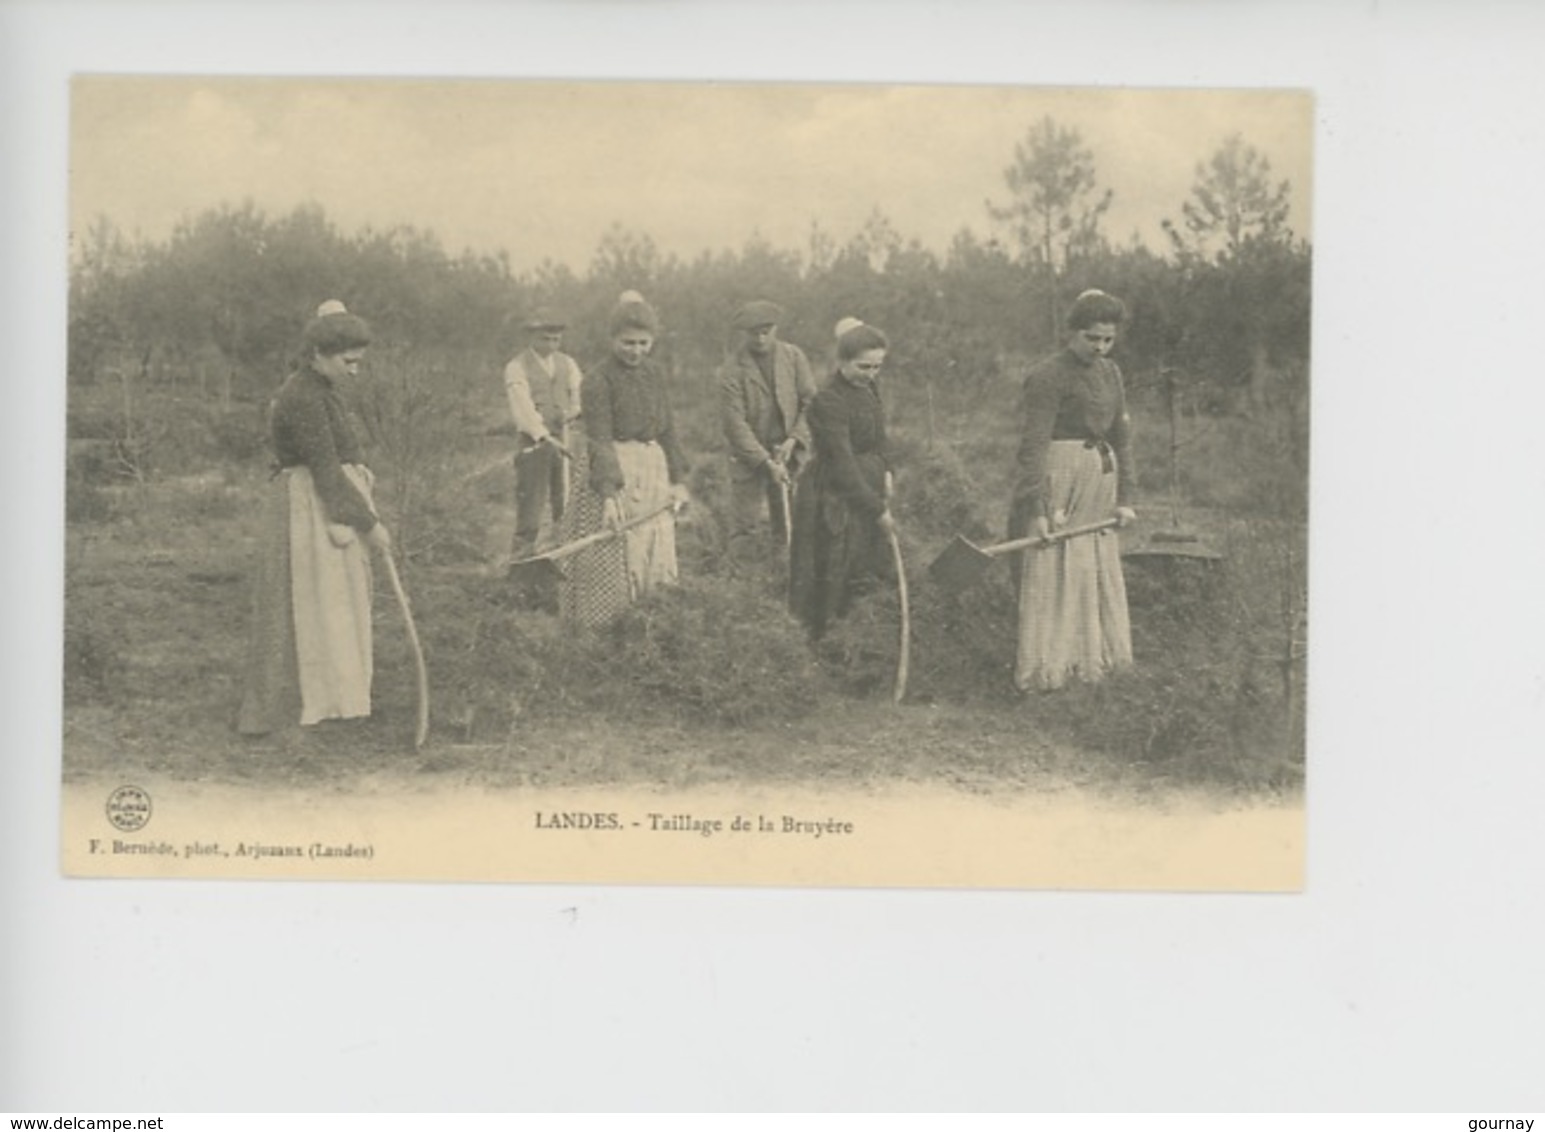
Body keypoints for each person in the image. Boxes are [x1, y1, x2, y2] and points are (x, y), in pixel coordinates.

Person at [238, 301, 391, 736]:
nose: (356, 370)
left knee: (332, 602)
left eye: (360, 361)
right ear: (319, 354)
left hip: (327, 503)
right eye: (349, 361)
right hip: (310, 508)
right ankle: (302, 702)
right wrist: (369, 523)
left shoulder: (323, 391)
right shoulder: (302, 397)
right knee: (310, 600)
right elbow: (325, 470)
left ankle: (336, 697)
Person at [1008, 288, 1138, 692]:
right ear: (1072, 333)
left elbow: (1122, 436)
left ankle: (1092, 666)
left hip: (1099, 481)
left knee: (1091, 564)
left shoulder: (1111, 373)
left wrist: (1126, 497)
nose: (1099, 347)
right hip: (1059, 481)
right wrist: (1038, 508)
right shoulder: (1047, 375)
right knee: (1056, 569)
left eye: (1107, 340)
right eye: (1091, 338)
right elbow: (1032, 445)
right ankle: (1051, 671)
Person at [557, 290, 691, 628]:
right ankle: (614, 629)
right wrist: (608, 495)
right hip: (616, 467)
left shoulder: (655, 374)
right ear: (612, 338)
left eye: (643, 343)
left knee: (653, 543)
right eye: (628, 343)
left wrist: (678, 481)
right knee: (617, 546)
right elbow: (599, 439)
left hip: (654, 467)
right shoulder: (597, 381)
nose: (636, 351)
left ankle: (654, 620)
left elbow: (669, 427)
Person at [788, 318, 897, 639]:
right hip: (834, 494)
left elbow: (880, 438)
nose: (871, 374)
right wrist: (876, 509)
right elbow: (842, 464)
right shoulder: (828, 400)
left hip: (868, 486)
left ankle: (858, 633)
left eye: (877, 367)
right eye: (864, 367)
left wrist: (887, 472)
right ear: (843, 361)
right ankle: (825, 638)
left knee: (865, 561)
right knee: (834, 564)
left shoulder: (870, 390)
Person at [718, 299, 816, 567]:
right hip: (749, 457)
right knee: (745, 525)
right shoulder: (732, 370)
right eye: (754, 333)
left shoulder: (793, 357)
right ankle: (743, 585)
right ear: (744, 333)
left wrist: (794, 439)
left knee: (790, 519)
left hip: (789, 451)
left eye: (766, 331)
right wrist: (764, 462)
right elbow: (734, 424)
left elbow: (810, 402)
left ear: (776, 329)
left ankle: (784, 576)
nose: (761, 338)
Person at [503, 307, 584, 597]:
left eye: (556, 339)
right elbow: (522, 409)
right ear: (531, 337)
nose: (551, 345)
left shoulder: (568, 364)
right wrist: (544, 435)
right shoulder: (516, 367)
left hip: (564, 442)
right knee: (531, 512)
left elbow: (578, 395)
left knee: (565, 506)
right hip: (534, 445)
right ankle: (520, 577)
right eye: (545, 338)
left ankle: (562, 571)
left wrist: (572, 414)